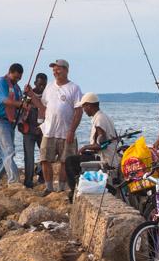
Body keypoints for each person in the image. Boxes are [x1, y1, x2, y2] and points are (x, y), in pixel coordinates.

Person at [25, 59, 82, 194]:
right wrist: (31, 95)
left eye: (59, 69)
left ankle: (62, 188)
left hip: (66, 132)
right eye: (54, 69)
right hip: (49, 131)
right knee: (45, 159)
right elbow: (42, 108)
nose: (55, 71)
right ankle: (49, 187)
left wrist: (71, 131)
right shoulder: (49, 87)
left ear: (66, 70)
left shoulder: (74, 88)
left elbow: (79, 111)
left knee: (65, 161)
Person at [64, 93, 118, 199]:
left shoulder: (99, 120)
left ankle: (74, 191)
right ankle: (84, 185)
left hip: (104, 158)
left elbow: (102, 145)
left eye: (84, 107)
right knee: (79, 158)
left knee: (70, 161)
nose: (84, 110)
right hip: (108, 156)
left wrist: (85, 147)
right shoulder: (103, 116)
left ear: (89, 105)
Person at [0, 63, 25, 185]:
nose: (16, 80)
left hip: (10, 123)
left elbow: (19, 105)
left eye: (19, 78)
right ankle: (13, 181)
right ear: (9, 72)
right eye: (15, 77)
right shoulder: (1, 82)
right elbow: (5, 100)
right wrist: (20, 104)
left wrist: (20, 120)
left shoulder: (17, 88)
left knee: (5, 152)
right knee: (9, 151)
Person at [21, 73, 47, 188]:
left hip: (43, 131)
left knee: (45, 155)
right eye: (40, 84)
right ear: (35, 83)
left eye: (44, 85)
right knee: (29, 156)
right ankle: (28, 181)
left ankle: (42, 175)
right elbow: (22, 111)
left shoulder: (48, 95)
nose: (42, 87)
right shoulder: (27, 95)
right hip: (29, 130)